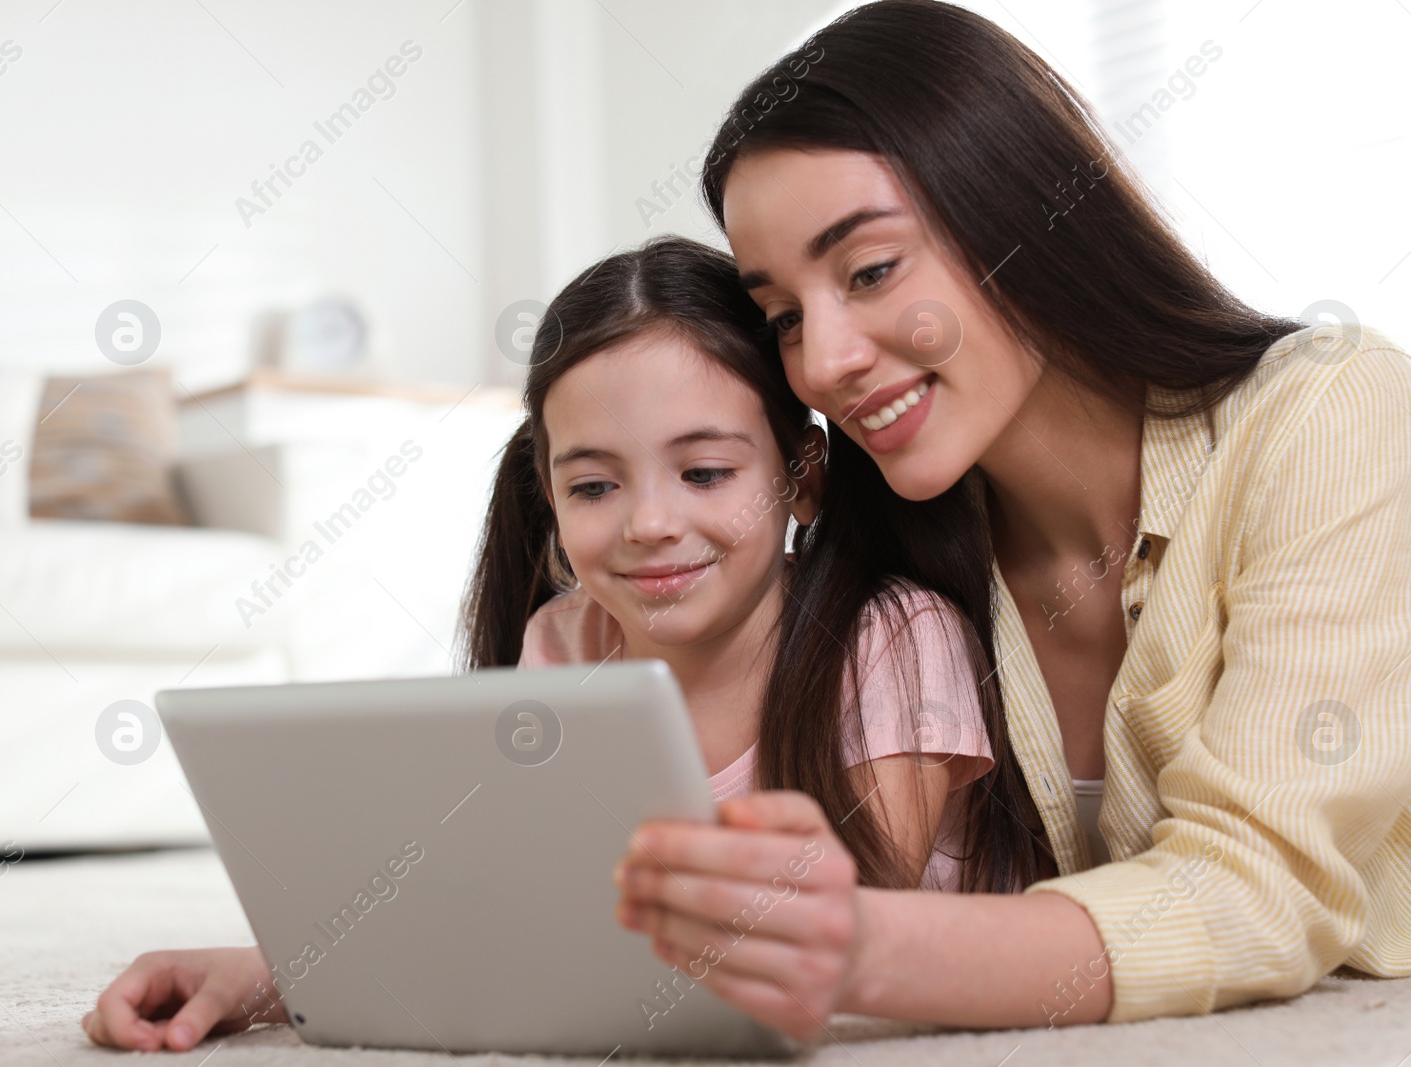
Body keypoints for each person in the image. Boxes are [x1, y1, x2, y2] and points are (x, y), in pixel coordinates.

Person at [612, 0, 1411, 1039]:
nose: (821, 364)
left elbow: (1258, 892)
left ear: (1022, 212)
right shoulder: (922, 561)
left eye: (870, 271)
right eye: (782, 316)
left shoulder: (1330, 412)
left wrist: (862, 944)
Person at [81, 235, 1051, 1052]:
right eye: (594, 486)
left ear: (801, 476)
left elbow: (852, 933)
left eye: (705, 471)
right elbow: (514, 909)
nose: (649, 523)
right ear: (548, 495)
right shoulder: (567, 637)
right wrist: (268, 974)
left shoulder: (891, 637)